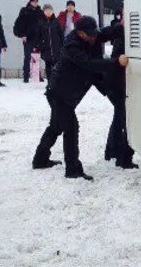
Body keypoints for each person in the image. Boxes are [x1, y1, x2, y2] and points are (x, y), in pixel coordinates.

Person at [32, 16, 128, 180]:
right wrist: (116, 62)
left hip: (69, 94)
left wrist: (122, 25)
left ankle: (40, 159)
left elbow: (108, 32)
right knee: (71, 127)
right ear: (79, 33)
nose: (93, 38)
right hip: (59, 94)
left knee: (55, 126)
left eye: (94, 34)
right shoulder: (72, 47)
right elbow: (91, 64)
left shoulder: (93, 36)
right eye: (89, 35)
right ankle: (73, 170)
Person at [103, 9, 136, 168]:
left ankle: (112, 151)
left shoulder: (123, 31)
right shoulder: (123, 33)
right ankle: (123, 159)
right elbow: (118, 58)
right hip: (117, 83)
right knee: (125, 118)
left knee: (119, 116)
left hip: (115, 82)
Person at [13, 0, 44, 83]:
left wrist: (42, 36)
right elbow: (19, 23)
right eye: (33, 1)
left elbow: (42, 25)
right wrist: (22, 35)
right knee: (27, 57)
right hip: (27, 38)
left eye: (36, 1)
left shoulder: (40, 12)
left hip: (37, 38)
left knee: (36, 57)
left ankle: (37, 75)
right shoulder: (24, 11)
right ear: (30, 2)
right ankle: (26, 76)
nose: (35, 3)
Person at [36, 3, 64, 81]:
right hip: (46, 49)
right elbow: (38, 36)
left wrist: (62, 45)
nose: (48, 12)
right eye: (46, 10)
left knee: (57, 66)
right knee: (48, 66)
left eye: (50, 10)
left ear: (52, 11)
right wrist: (40, 46)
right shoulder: (41, 22)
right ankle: (49, 82)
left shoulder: (56, 21)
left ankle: (56, 82)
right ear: (44, 12)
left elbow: (61, 35)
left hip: (56, 48)